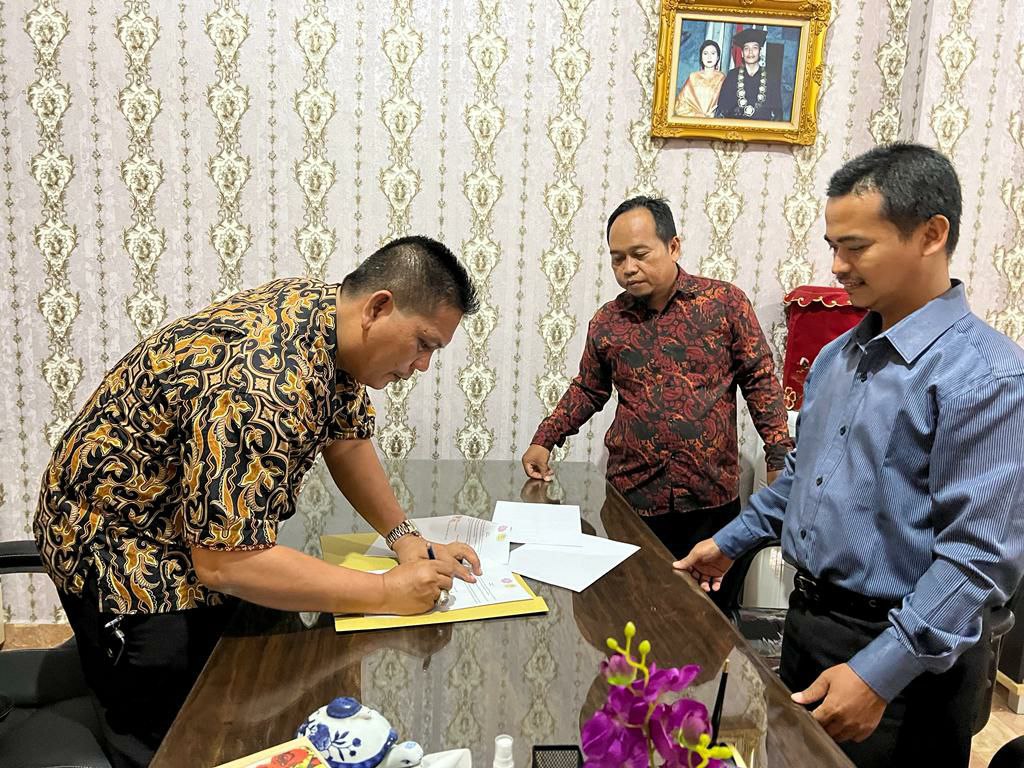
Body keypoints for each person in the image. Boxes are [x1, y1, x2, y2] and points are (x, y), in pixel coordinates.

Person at [33, 236, 484, 768]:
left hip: (193, 529)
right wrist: (385, 591)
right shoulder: (262, 380)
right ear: (378, 307)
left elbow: (346, 440)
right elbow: (225, 563)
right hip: (119, 547)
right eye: (423, 344)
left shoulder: (329, 318)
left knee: (278, 680)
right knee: (186, 739)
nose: (423, 366)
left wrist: (405, 539)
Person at [674, 144, 1024, 768]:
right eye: (833, 246)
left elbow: (978, 560)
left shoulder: (985, 375)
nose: (837, 266)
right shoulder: (837, 359)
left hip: (909, 661)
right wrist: (730, 543)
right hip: (810, 624)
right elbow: (803, 481)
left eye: (856, 247)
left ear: (931, 234)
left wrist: (879, 673)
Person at [522, 196, 793, 610]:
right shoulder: (607, 322)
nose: (628, 268)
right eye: (617, 259)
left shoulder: (724, 304)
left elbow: (760, 380)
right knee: (631, 614)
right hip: (632, 500)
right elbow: (588, 389)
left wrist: (777, 455)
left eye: (639, 254)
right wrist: (545, 439)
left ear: (673, 246)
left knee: (708, 621)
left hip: (710, 501)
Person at [715, 27, 783, 121]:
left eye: (754, 48)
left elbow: (777, 113)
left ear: (760, 52)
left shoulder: (771, 77)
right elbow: (722, 110)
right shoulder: (732, 76)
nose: (750, 52)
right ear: (742, 53)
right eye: (746, 48)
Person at [674, 39, 726, 119]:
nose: (709, 57)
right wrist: (699, 115)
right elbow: (679, 105)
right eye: (705, 53)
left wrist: (715, 115)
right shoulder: (693, 77)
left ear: (718, 57)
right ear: (701, 57)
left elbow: (726, 105)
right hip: (694, 121)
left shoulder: (722, 78)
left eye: (713, 53)